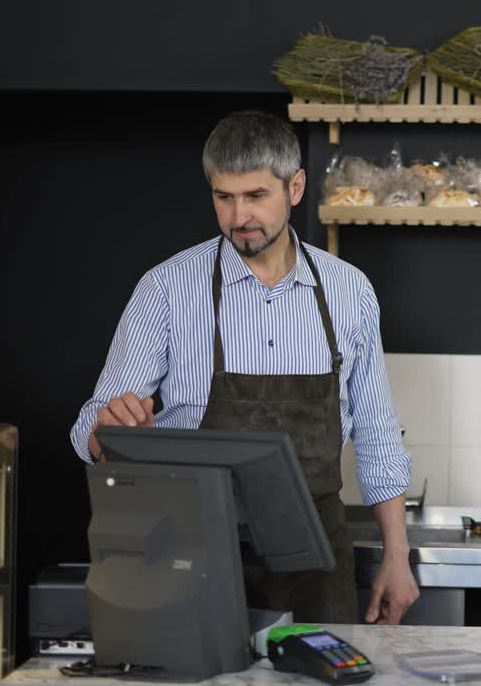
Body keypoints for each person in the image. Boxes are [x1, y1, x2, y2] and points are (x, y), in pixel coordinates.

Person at [70, 110, 419, 625]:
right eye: (224, 197)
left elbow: (377, 433)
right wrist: (110, 430)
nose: (239, 218)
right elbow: (88, 432)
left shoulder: (350, 292)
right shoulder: (167, 289)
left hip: (315, 563)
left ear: (295, 188)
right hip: (190, 552)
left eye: (256, 196)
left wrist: (397, 555)